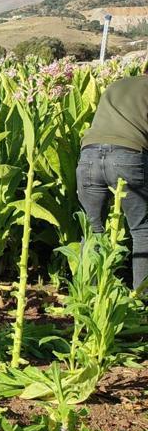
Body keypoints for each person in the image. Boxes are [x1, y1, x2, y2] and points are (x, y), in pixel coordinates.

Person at [77, 74, 148, 291]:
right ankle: (141, 297)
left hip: (88, 155)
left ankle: (88, 295)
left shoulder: (117, 84)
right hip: (128, 155)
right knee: (142, 228)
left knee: (92, 229)